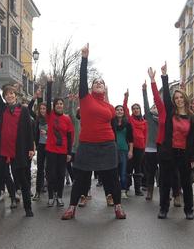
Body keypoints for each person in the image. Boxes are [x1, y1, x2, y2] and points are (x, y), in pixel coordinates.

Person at [62, 44, 126, 220]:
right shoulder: (85, 99)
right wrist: (84, 58)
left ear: (105, 89)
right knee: (81, 178)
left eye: (101, 83)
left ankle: (118, 207)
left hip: (107, 146)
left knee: (112, 178)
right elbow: (82, 80)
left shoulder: (110, 108)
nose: (98, 84)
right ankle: (72, 207)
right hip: (87, 145)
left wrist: (115, 144)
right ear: (90, 88)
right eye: (95, 83)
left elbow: (114, 126)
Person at [149, 64, 194, 220]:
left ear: (185, 99)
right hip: (168, 152)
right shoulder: (170, 113)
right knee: (165, 182)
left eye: (181, 97)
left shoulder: (193, 118)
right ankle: (163, 208)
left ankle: (189, 210)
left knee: (186, 184)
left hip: (184, 154)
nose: (178, 100)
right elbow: (161, 98)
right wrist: (163, 76)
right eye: (176, 98)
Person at [0, 61, 35, 218]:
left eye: (11, 94)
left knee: (22, 180)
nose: (9, 96)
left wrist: (30, 148)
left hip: (18, 151)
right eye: (7, 94)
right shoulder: (2, 108)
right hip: (2, 149)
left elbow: (29, 131)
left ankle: (28, 208)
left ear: (16, 96)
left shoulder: (23, 110)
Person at [45, 77, 74, 207]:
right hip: (51, 150)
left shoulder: (67, 119)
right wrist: (49, 84)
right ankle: (51, 196)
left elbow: (70, 137)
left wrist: (69, 153)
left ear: (64, 106)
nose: (59, 105)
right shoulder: (50, 115)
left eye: (61, 104)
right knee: (51, 174)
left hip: (63, 152)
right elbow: (47, 100)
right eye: (57, 104)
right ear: (54, 105)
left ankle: (60, 197)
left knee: (61, 174)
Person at [123, 89, 147, 196]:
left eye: (137, 108)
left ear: (140, 110)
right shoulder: (130, 119)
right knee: (129, 168)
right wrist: (126, 98)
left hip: (141, 148)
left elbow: (146, 135)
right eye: (134, 109)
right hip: (131, 148)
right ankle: (127, 187)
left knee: (138, 169)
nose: (136, 110)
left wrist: (145, 148)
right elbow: (124, 109)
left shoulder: (144, 122)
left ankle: (138, 189)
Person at [28, 88, 47, 201]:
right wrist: (35, 97)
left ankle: (52, 191)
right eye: (41, 109)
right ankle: (38, 192)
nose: (43, 110)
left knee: (49, 169)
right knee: (40, 169)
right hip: (40, 146)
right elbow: (29, 109)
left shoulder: (50, 119)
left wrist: (48, 132)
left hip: (50, 146)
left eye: (44, 108)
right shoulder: (37, 118)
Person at [142, 81, 160, 201]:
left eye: (157, 107)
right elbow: (145, 104)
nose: (155, 108)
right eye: (153, 107)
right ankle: (149, 191)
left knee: (163, 171)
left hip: (162, 148)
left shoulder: (164, 119)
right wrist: (144, 92)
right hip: (150, 149)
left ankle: (164, 190)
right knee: (150, 171)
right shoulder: (148, 117)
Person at [112, 105, 134, 199]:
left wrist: (130, 151)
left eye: (121, 110)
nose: (119, 111)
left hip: (124, 151)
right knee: (114, 172)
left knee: (123, 172)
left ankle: (123, 191)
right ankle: (114, 191)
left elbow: (131, 139)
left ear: (123, 112)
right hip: (113, 150)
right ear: (115, 112)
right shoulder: (112, 123)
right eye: (117, 110)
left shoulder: (128, 124)